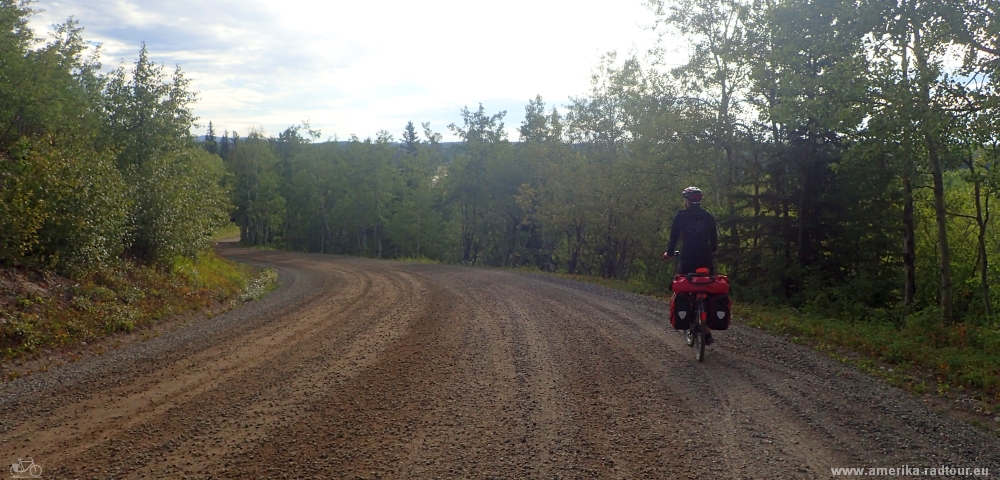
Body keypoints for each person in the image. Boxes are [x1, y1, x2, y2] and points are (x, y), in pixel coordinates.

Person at [663, 186, 719, 343]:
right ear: (699, 200)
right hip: (705, 258)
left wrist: (669, 253)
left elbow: (673, 238)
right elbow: (713, 240)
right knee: (708, 287)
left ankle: (687, 316)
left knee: (685, 285)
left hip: (687, 258)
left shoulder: (680, 216)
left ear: (687, 201)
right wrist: (713, 251)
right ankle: (707, 329)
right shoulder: (708, 216)